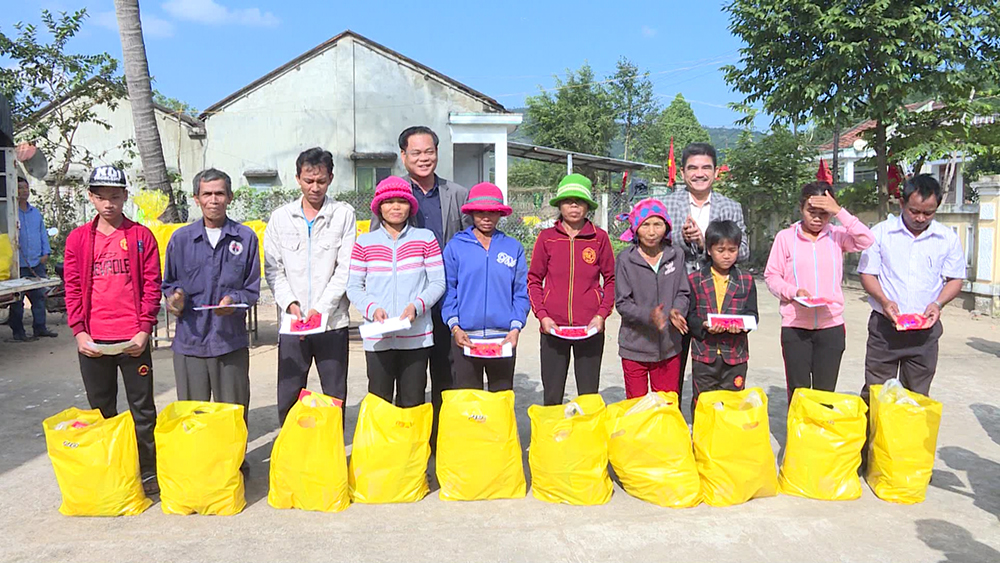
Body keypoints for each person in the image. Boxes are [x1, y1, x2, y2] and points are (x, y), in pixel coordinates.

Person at [64, 165, 161, 495]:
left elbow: (152, 285)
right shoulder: (78, 240)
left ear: (125, 197)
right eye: (102, 197)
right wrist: (80, 333)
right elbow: (73, 287)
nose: (109, 204)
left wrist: (144, 330)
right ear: (91, 197)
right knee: (101, 410)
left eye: (115, 197)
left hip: (133, 339)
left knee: (143, 410)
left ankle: (148, 470)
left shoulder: (140, 237)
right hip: (94, 340)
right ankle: (111, 471)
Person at [372, 126, 471, 439]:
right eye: (415, 153)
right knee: (409, 382)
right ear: (404, 156)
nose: (423, 158)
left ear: (437, 153)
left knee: (447, 375)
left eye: (429, 152)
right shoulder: (392, 195)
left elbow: (469, 241)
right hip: (404, 308)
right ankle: (406, 445)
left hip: (446, 301)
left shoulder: (457, 194)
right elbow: (377, 246)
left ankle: (441, 443)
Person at [162, 168, 260, 434]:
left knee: (233, 415)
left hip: (229, 341)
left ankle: (234, 467)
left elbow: (252, 289)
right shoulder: (181, 240)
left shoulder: (245, 238)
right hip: (191, 342)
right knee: (194, 418)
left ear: (229, 197)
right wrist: (176, 299)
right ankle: (198, 471)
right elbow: (169, 284)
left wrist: (234, 300)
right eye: (207, 194)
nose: (213, 200)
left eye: (219, 193)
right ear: (196, 198)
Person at [264, 148, 356, 425]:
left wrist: (320, 308)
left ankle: (331, 454)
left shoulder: (343, 214)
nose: (314, 188)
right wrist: (291, 304)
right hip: (293, 323)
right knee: (290, 392)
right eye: (308, 181)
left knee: (334, 392)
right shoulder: (281, 218)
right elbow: (273, 268)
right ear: (298, 179)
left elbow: (345, 268)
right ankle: (292, 450)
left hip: (331, 323)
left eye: (321, 181)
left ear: (330, 178)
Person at [857, 174, 965, 402]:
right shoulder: (880, 233)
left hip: (924, 331)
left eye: (928, 213)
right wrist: (884, 301)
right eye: (914, 211)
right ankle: (873, 438)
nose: (920, 218)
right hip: (885, 328)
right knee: (877, 393)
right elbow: (867, 274)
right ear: (902, 203)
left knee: (916, 396)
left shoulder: (947, 238)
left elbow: (955, 279)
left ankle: (908, 438)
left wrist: (938, 303)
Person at [765, 182, 874, 401]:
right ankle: (798, 435)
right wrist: (793, 292)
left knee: (825, 394)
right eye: (811, 212)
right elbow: (772, 276)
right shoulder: (785, 238)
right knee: (799, 393)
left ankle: (820, 434)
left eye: (824, 213)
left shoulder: (837, 235)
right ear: (801, 208)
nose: (817, 218)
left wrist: (840, 212)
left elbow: (866, 240)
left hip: (830, 326)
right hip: (796, 327)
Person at [662, 142, 749, 408]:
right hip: (674, 292)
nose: (699, 173)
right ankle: (672, 426)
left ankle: (710, 425)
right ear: (683, 172)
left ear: (715, 172)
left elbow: (743, 251)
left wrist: (704, 244)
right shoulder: (666, 203)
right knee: (671, 365)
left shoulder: (731, 207)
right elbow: (652, 245)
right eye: (693, 168)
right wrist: (681, 238)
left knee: (712, 368)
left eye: (705, 168)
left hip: (715, 297)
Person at [347, 176, 445, 407]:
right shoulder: (365, 243)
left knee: (412, 401)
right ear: (379, 207)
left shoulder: (425, 239)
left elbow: (438, 282)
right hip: (378, 337)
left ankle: (410, 445)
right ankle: (382, 446)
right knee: (379, 403)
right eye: (389, 201)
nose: (395, 207)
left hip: (416, 337)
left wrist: (416, 306)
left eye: (402, 201)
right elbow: (353, 286)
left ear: (411, 206)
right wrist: (372, 309)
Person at [528, 173, 615, 405]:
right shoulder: (547, 238)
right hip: (553, 328)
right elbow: (534, 279)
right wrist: (543, 316)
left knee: (588, 394)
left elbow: (611, 279)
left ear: (588, 206)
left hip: (590, 328)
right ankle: (553, 439)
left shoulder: (600, 238)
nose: (574, 206)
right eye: (568, 201)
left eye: (580, 201)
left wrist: (601, 314)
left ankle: (585, 438)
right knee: (553, 394)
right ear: (560, 205)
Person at [442, 182, 529, 392]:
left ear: (500, 214)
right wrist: (455, 327)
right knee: (469, 402)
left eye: (492, 212)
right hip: (465, 337)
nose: (486, 218)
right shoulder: (456, 246)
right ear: (471, 213)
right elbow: (448, 290)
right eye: (480, 212)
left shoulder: (512, 247)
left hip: (503, 338)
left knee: (500, 399)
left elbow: (520, 292)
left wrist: (516, 327)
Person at [614, 198, 691, 399]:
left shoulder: (676, 255)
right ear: (635, 228)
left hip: (669, 346)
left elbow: (683, 292)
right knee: (638, 407)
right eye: (645, 225)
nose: (651, 232)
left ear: (666, 227)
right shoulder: (625, 259)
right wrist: (649, 315)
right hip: (634, 347)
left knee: (665, 406)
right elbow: (622, 303)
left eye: (657, 224)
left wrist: (677, 311)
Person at [685, 220, 758, 410]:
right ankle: (703, 439)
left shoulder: (746, 280)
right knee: (703, 402)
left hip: (735, 354)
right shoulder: (695, 280)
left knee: (733, 402)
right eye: (721, 250)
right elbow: (690, 315)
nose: (726, 256)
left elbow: (752, 314)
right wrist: (703, 325)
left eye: (732, 250)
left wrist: (742, 326)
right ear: (709, 250)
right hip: (705, 354)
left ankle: (727, 439)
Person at [9, 176, 57, 341]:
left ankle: (40, 328)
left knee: (38, 298)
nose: (24, 191)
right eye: (20, 188)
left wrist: (46, 252)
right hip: (18, 264)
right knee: (17, 300)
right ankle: (18, 332)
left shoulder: (35, 213)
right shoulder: (10, 213)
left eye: (26, 188)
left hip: (36, 262)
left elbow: (42, 232)